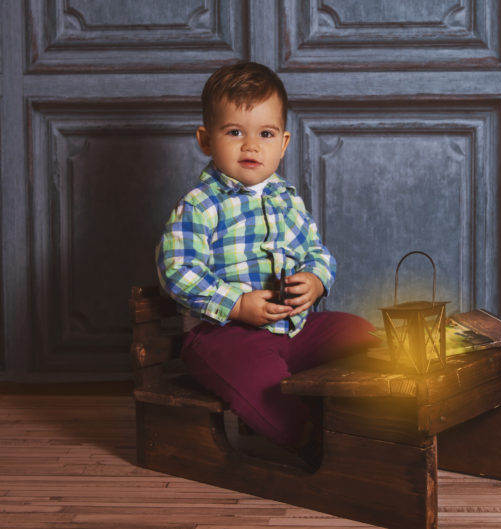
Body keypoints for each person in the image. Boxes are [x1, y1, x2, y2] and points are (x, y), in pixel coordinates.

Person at [155, 61, 377, 468]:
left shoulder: (287, 200)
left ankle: (371, 422)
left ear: (284, 142)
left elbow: (317, 252)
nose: (251, 146)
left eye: (266, 134)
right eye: (234, 132)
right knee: (260, 383)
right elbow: (177, 270)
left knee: (361, 334)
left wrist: (315, 280)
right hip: (225, 336)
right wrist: (237, 305)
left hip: (295, 329)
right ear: (206, 140)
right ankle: (312, 440)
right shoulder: (200, 206)